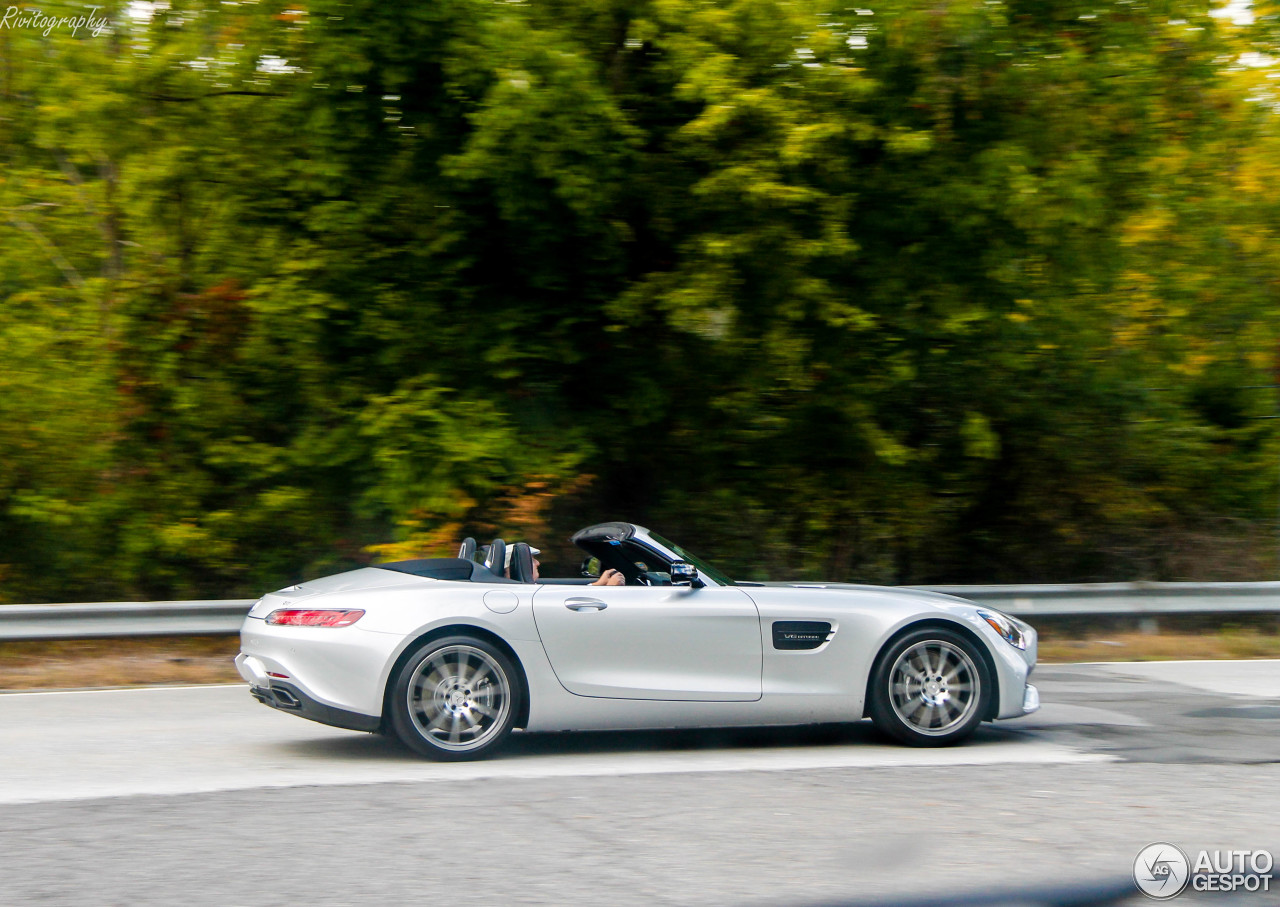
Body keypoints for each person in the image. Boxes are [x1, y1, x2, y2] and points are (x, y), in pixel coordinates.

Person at [504, 545, 624, 585]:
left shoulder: (528, 590)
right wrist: (610, 590)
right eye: (532, 560)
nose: (538, 563)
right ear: (514, 567)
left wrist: (598, 584)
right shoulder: (528, 594)